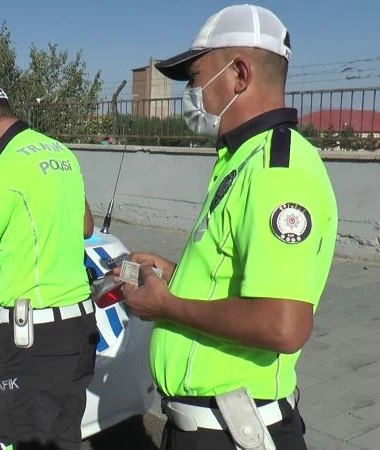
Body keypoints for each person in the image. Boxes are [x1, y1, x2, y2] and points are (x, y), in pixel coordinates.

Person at [119, 5, 338, 449]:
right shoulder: (241, 159)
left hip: (233, 432)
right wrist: (177, 275)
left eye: (197, 77)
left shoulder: (279, 171)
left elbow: (283, 324)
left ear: (239, 74)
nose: (192, 92)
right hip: (204, 427)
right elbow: (233, 279)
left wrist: (166, 306)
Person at [0, 78, 96, 449]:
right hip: (78, 330)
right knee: (62, 439)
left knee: (17, 439)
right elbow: (85, 226)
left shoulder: (3, 168)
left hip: (32, 339)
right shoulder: (60, 152)